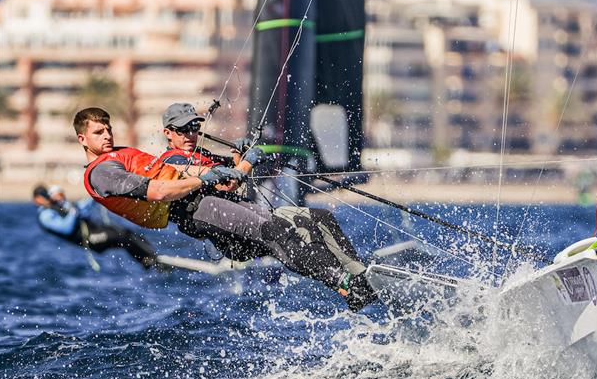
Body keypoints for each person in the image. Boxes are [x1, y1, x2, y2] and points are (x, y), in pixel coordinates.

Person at [74, 106, 377, 311]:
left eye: (109, 130)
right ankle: (344, 282)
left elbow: (217, 170)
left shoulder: (123, 153)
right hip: (193, 210)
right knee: (275, 231)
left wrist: (237, 157)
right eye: (99, 133)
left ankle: (356, 275)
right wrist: (208, 177)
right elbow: (161, 190)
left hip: (210, 202)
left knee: (312, 220)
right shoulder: (101, 172)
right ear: (82, 138)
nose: (108, 136)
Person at [33, 184, 159, 270]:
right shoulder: (45, 216)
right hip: (90, 239)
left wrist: (98, 195)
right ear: (37, 199)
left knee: (127, 233)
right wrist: (73, 212)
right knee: (122, 236)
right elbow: (67, 228)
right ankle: (148, 260)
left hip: (96, 232)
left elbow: (82, 209)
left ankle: (151, 257)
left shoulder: (61, 207)